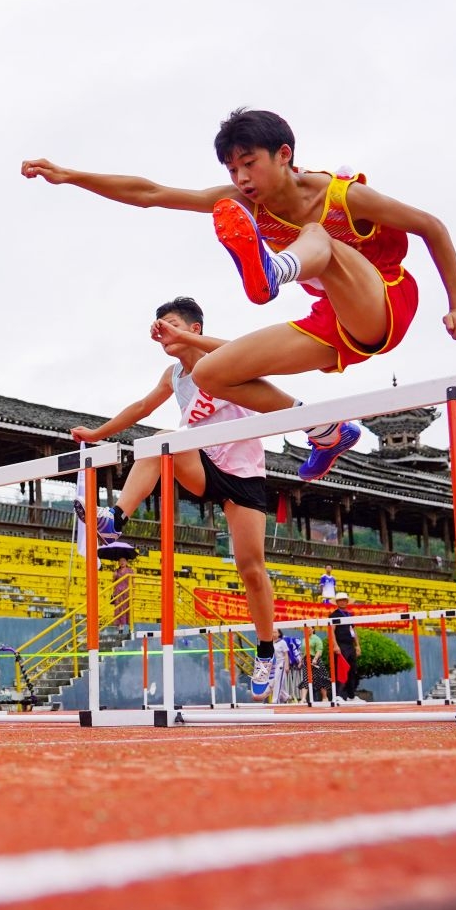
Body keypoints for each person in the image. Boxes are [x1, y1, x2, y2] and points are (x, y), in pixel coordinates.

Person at [23, 108, 456, 481]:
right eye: (232, 169)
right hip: (332, 319)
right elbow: (152, 193)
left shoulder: (341, 195)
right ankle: (324, 430)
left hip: (384, 299)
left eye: (249, 163)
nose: (241, 178)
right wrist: (70, 175)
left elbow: (430, 227)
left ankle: (275, 270)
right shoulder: (246, 202)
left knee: (320, 235)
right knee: (214, 374)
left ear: (284, 155)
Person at [68, 296, 285, 697]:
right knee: (159, 442)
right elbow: (142, 406)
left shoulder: (223, 361)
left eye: (169, 324)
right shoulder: (173, 375)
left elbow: (240, 350)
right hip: (202, 463)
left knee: (251, 569)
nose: (162, 332)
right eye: (158, 326)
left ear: (194, 329)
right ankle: (114, 519)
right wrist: (96, 434)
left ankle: (268, 648)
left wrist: (185, 336)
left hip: (243, 475)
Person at [330, 591, 363, 702]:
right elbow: (331, 630)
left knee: (352, 670)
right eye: (340, 600)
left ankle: (351, 695)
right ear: (337, 602)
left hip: (350, 645)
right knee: (341, 669)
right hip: (341, 645)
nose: (343, 602)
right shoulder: (334, 615)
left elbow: (353, 630)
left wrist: (357, 646)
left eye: (345, 600)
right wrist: (335, 645)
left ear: (347, 602)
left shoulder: (349, 615)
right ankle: (338, 695)